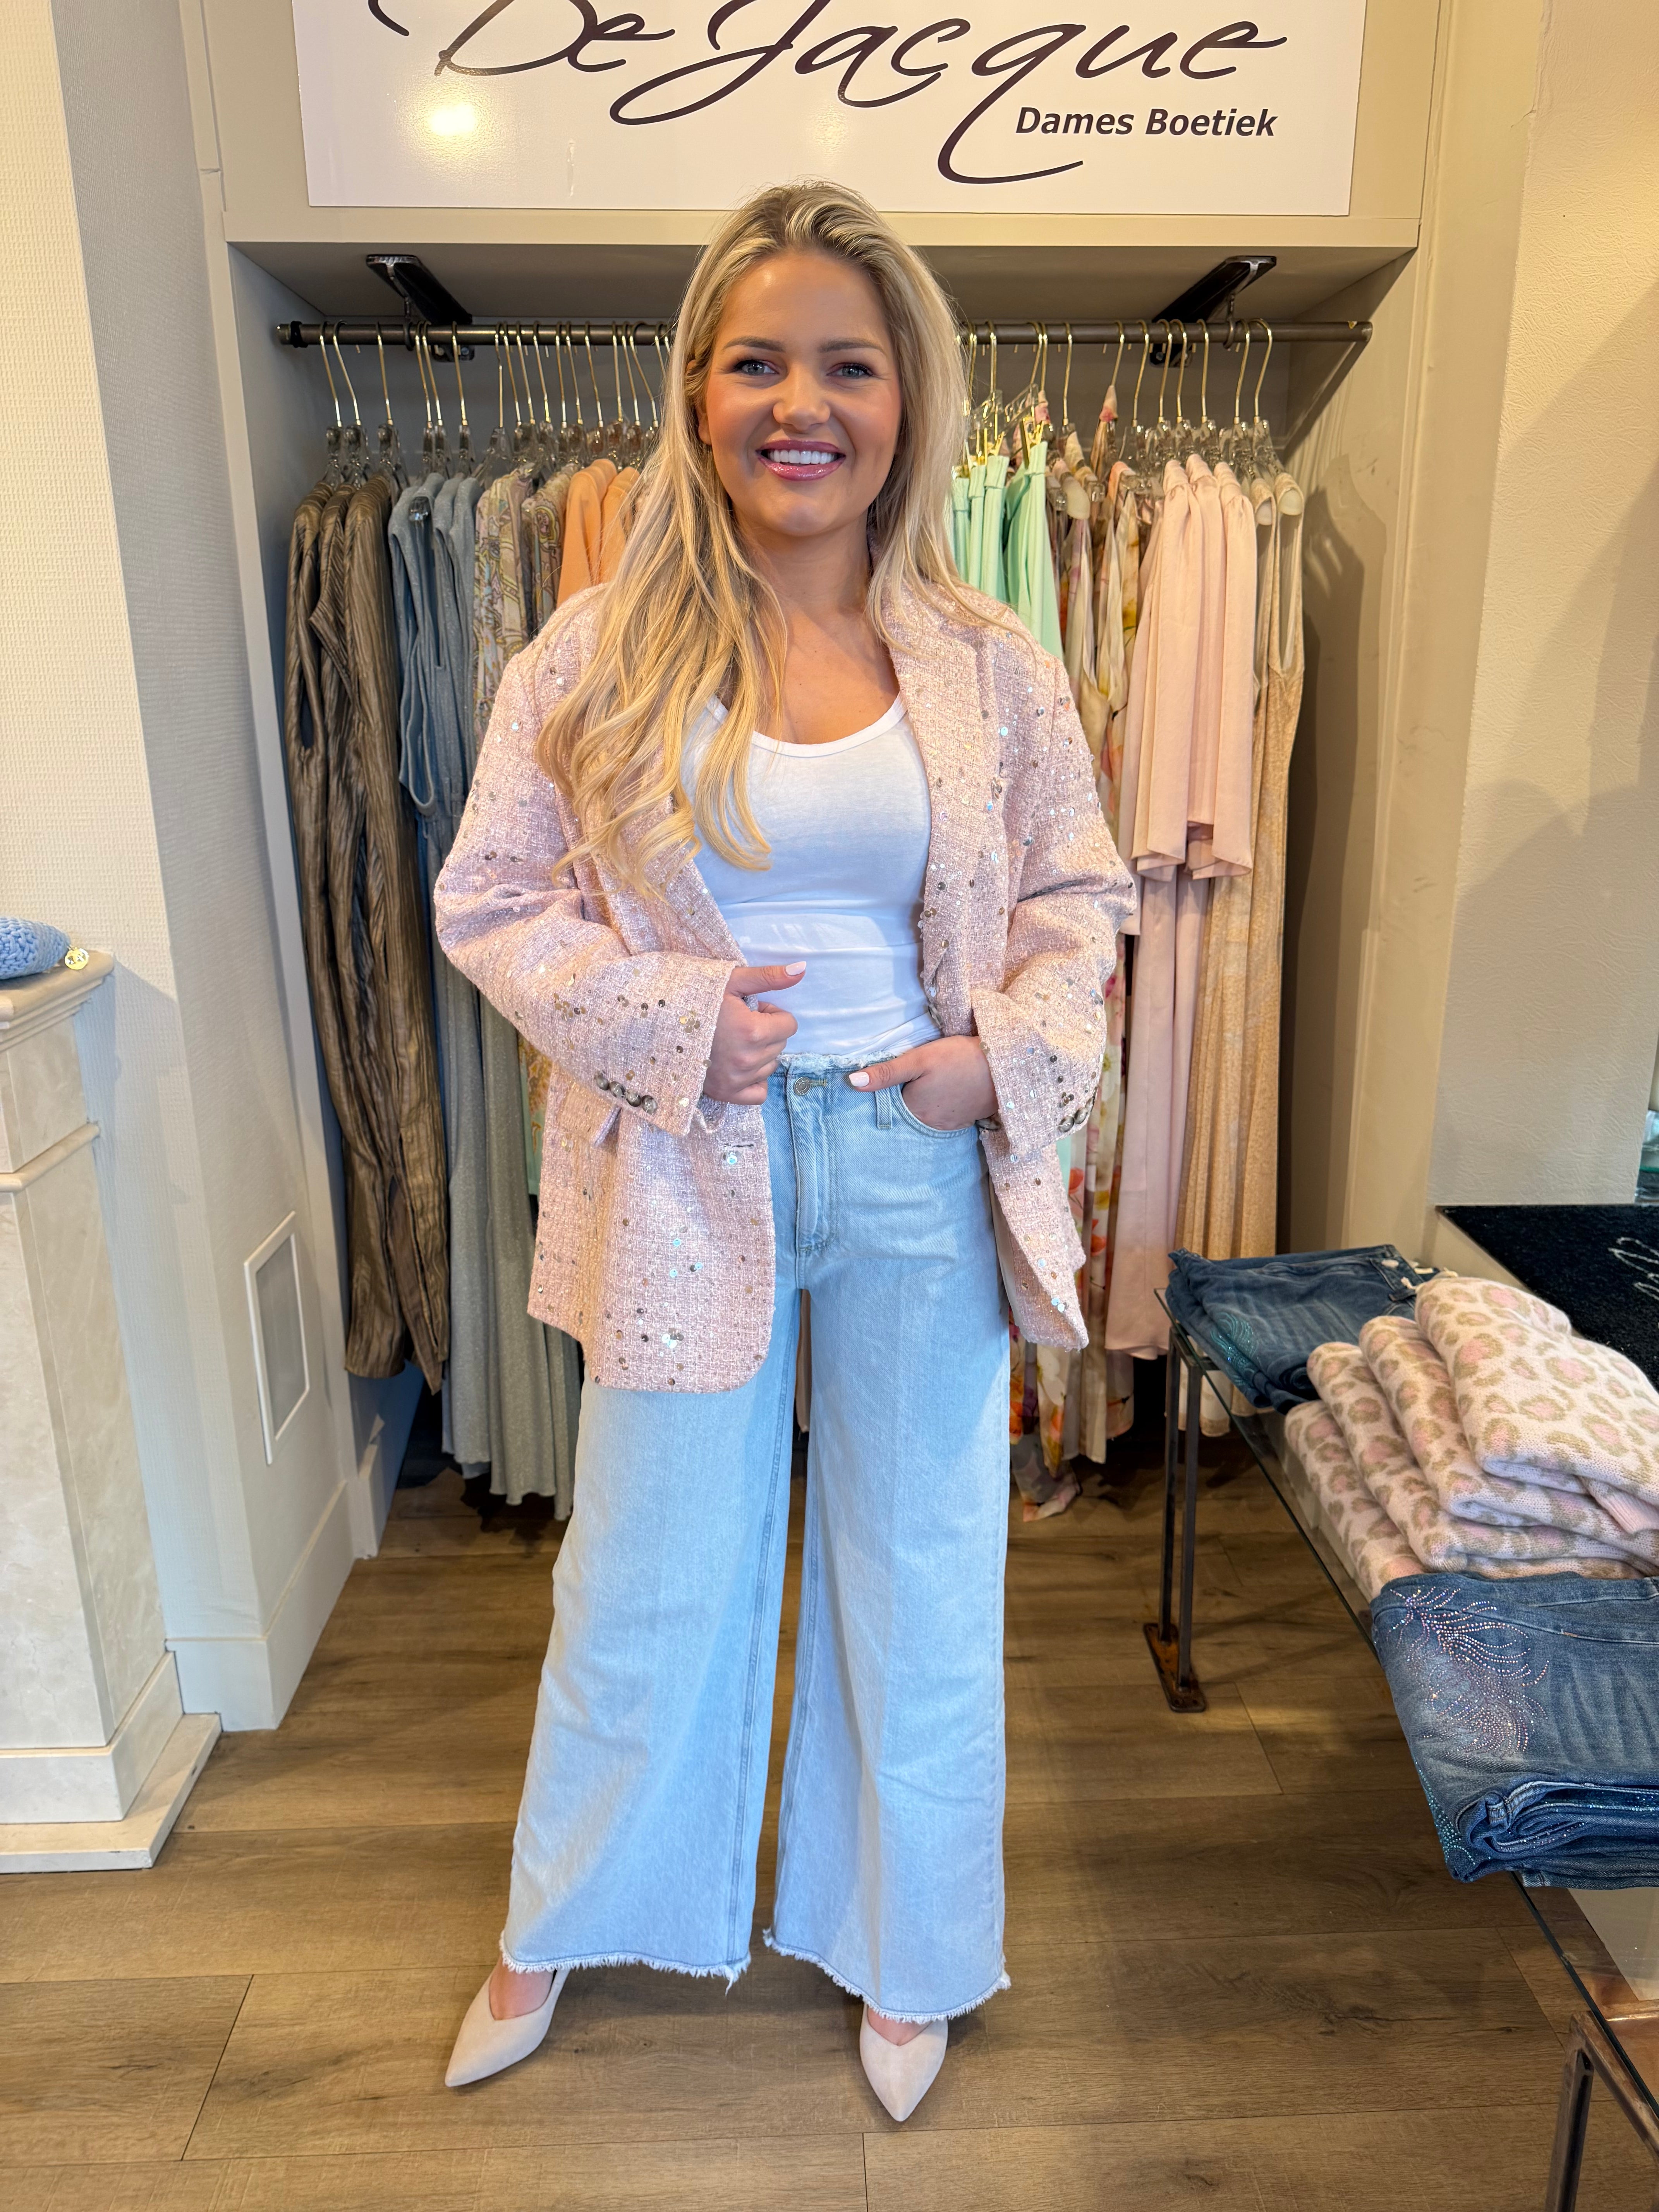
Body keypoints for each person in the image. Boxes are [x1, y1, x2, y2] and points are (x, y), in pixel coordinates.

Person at [433, 179, 1133, 2121]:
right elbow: (490, 900)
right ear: (697, 391)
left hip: (916, 1161)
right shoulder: (593, 651)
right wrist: (671, 1021)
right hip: (688, 1164)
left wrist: (1001, 1056)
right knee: (646, 1565)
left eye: (848, 365)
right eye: (758, 363)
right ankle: (561, 1920)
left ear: (908, 400)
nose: (800, 405)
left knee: (919, 1570)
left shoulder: (989, 659)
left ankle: (910, 1946)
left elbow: (1081, 896)